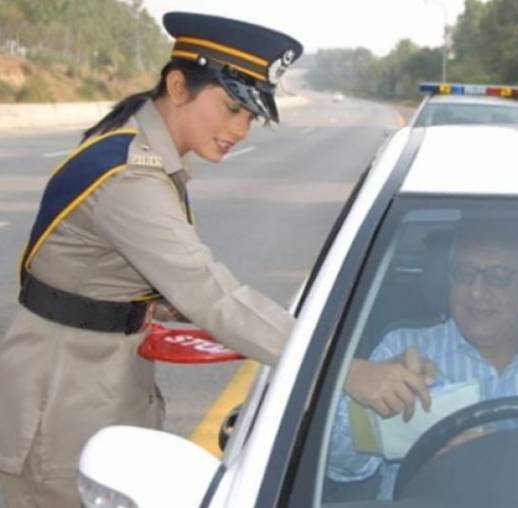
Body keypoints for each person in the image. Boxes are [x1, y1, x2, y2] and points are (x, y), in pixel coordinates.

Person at [0, 12, 302, 508]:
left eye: (250, 117)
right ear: (178, 85)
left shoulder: (146, 158)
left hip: (95, 385)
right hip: (63, 406)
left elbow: (94, 277)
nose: (241, 130)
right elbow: (211, 293)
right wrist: (330, 364)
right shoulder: (130, 178)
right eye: (231, 108)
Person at [327, 218, 518, 500]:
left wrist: (501, 460)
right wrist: (357, 392)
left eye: (498, 277)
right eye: (465, 273)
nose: (477, 291)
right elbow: (342, 469)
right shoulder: (402, 348)